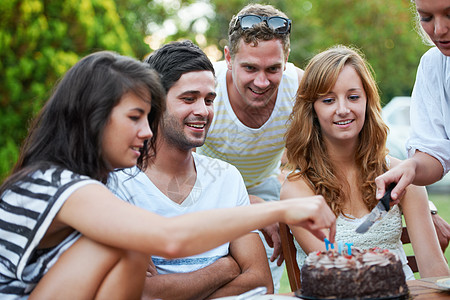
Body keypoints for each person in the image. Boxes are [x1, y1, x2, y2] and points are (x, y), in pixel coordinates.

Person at [0, 51, 336, 299]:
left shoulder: (81, 184)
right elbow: (168, 239)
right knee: (127, 244)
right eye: (135, 117)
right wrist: (278, 210)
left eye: (148, 117)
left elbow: (258, 278)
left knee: (129, 244)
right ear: (94, 117)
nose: (146, 131)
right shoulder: (60, 184)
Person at [110, 40, 272, 299]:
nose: (203, 111)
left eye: (209, 100)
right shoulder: (119, 183)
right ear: (155, 102)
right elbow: (143, 293)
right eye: (189, 99)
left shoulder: (227, 179)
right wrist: (226, 267)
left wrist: (177, 289)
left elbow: (260, 282)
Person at [280, 45, 449, 279]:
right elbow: (337, 275)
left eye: (353, 97)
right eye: (328, 100)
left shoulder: (403, 176)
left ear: (367, 101)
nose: (343, 109)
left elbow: (435, 272)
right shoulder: (298, 188)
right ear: (312, 110)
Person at [196, 4, 303, 291]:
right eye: (250, 68)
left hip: (264, 187)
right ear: (229, 58)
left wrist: (426, 207)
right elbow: (178, 167)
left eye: (273, 69)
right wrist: (253, 206)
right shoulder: (207, 90)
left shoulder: (299, 88)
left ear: (286, 59)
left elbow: (355, 144)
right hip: (204, 193)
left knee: (258, 288)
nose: (261, 81)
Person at [374, 0, 450, 201]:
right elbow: (434, 151)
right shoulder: (434, 66)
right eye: (426, 18)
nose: (439, 29)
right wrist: (412, 166)